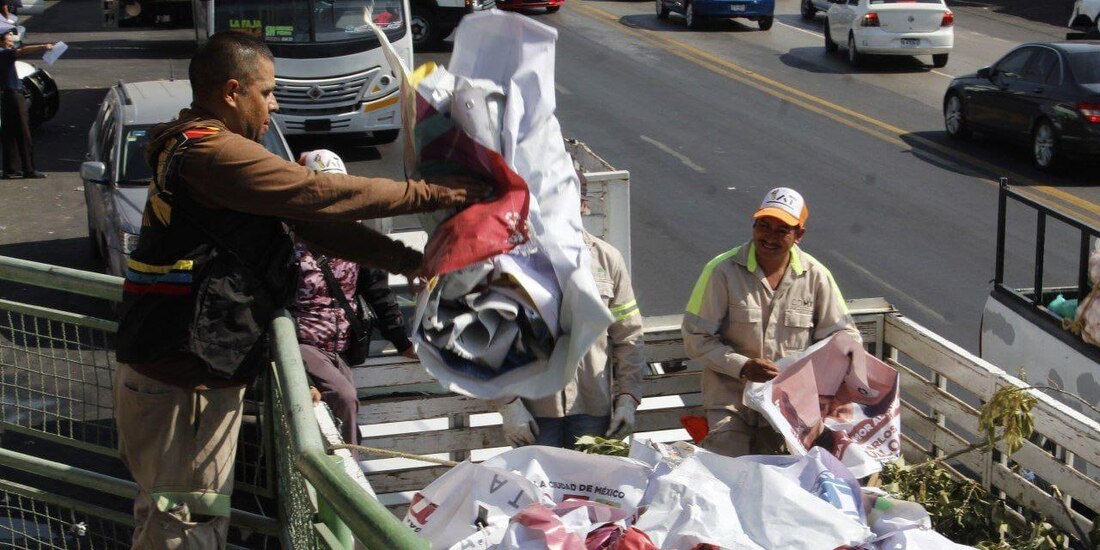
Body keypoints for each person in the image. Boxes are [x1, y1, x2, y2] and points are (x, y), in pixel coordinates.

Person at [112, 32, 486, 549]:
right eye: (266, 93)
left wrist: (408, 261)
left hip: (179, 368)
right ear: (231, 91)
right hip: (184, 382)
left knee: (173, 517)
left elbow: (310, 223)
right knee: (185, 525)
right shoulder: (213, 154)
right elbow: (316, 194)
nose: (275, 104)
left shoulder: (192, 144)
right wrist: (432, 193)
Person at [681, 187, 861, 458]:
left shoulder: (817, 276)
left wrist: (814, 379)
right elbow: (696, 337)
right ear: (753, 226)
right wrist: (743, 367)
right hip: (732, 404)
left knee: (790, 482)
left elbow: (845, 339)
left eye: (781, 230)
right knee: (727, 467)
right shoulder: (721, 271)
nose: (769, 237)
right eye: (763, 226)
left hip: (790, 410)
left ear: (799, 235)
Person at [290, 149, 416, 453]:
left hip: (340, 349)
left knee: (346, 415)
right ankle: (350, 484)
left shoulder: (355, 237)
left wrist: (402, 342)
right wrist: (300, 374)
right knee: (344, 397)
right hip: (302, 342)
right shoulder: (288, 240)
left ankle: (344, 476)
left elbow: (378, 292)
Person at [499, 194, 646, 449]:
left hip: (593, 410)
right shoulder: (512, 263)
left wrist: (627, 399)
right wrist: (509, 406)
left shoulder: (608, 260)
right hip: (534, 413)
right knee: (538, 489)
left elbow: (629, 336)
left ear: (584, 205)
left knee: (590, 487)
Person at [0, 29, 50, 179]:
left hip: (5, 95)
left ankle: (10, 168)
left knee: (8, 133)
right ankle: (29, 169)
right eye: (9, 35)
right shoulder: (4, 53)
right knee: (23, 132)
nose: (12, 37)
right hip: (13, 95)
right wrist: (43, 47)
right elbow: (21, 52)